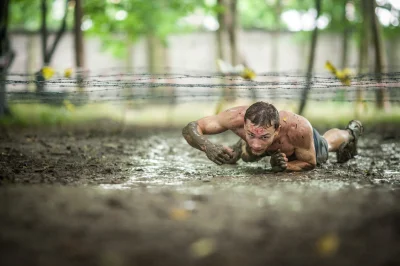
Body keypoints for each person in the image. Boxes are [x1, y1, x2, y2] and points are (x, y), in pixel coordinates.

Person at [182, 101, 363, 172]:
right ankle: (239, 148)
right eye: (250, 134)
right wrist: (207, 146)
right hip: (266, 143)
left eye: (264, 137)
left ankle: (349, 133)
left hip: (294, 146)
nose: (257, 143)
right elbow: (191, 127)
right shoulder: (235, 117)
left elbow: (310, 163)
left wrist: (286, 166)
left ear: (276, 131)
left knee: (326, 144)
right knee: (246, 154)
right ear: (244, 125)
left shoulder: (298, 129)